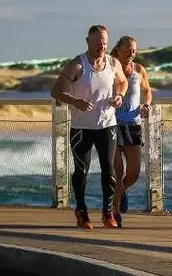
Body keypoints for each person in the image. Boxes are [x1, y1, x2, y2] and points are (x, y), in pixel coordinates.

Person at [50, 24, 129, 230]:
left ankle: (107, 212)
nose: (101, 47)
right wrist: (76, 101)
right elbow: (56, 91)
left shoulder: (113, 63)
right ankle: (82, 211)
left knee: (109, 171)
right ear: (87, 41)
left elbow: (122, 82)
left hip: (107, 125)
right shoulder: (78, 65)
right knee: (81, 171)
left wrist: (119, 95)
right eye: (97, 43)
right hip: (81, 128)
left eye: (104, 43)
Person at [110, 35, 152, 228]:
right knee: (118, 172)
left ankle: (120, 193)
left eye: (134, 50)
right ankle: (115, 211)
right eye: (127, 50)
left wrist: (147, 105)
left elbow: (148, 91)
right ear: (118, 50)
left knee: (133, 173)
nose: (131, 54)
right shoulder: (109, 67)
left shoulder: (139, 70)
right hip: (112, 124)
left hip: (133, 125)